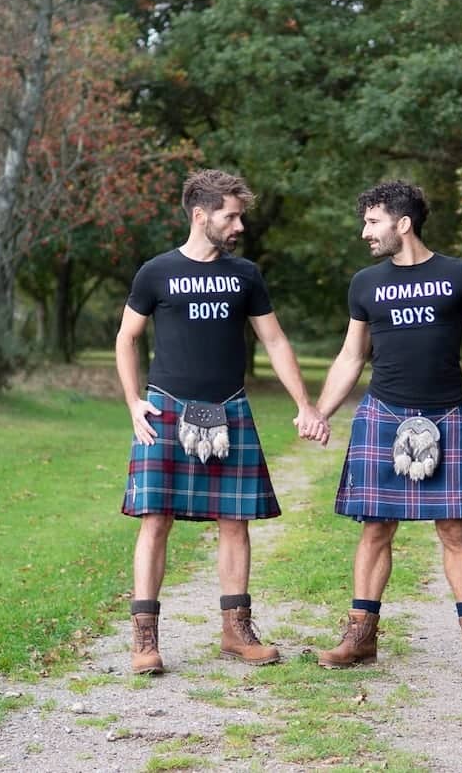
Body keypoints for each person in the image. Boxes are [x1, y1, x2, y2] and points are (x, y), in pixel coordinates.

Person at [115, 168, 328, 675]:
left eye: (240, 216)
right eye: (230, 216)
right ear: (200, 215)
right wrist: (132, 400)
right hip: (166, 406)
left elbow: (275, 341)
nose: (238, 226)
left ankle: (236, 630)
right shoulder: (156, 272)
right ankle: (145, 640)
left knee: (235, 521)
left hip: (228, 406)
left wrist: (305, 404)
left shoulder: (245, 275)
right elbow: (127, 338)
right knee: (155, 519)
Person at [311, 181, 462, 676]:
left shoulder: (459, 275)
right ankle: (360, 636)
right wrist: (320, 410)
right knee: (376, 527)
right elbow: (353, 354)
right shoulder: (366, 283)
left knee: (454, 529)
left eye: (373, 222)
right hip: (384, 412)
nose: (365, 232)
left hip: (443, 414)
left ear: (404, 223)